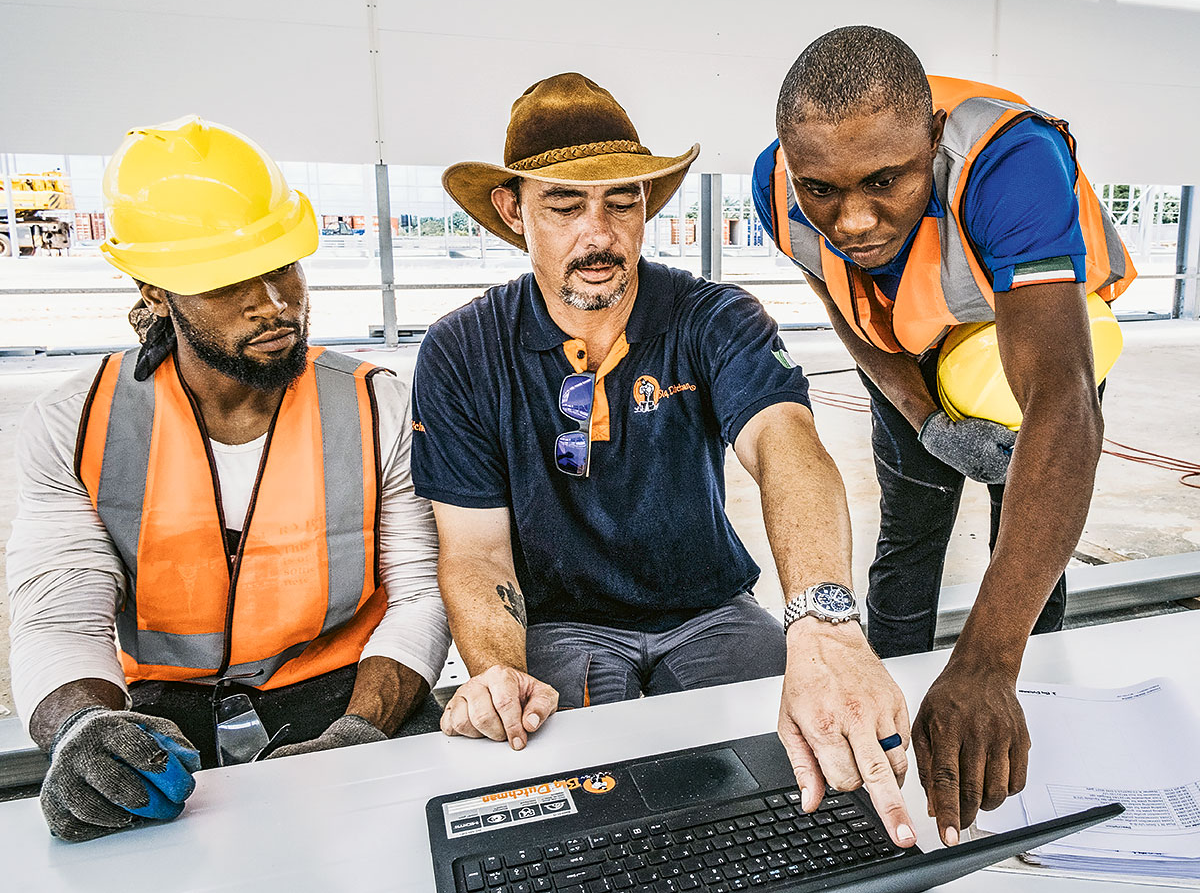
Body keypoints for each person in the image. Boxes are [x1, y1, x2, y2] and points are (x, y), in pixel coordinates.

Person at [411, 72, 920, 848]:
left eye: (623, 201)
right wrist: (496, 670)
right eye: (564, 204)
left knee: (809, 785)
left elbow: (788, 449)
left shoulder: (715, 317)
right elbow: (476, 551)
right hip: (562, 625)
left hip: (711, 612)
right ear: (514, 212)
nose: (600, 233)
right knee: (577, 814)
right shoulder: (462, 350)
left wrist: (823, 621)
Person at [6, 116, 450, 842]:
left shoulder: (377, 403)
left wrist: (360, 733)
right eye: (225, 282)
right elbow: (59, 617)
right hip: (158, 706)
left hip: (344, 687)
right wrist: (82, 728)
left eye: (283, 266)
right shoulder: (77, 423)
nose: (273, 303)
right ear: (153, 290)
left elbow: (420, 590)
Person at [752, 26, 1134, 845]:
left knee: (1025, 532)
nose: (853, 219)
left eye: (886, 181)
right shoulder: (777, 186)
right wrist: (925, 421)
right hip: (911, 352)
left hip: (1034, 343)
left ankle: (1018, 692)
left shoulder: (1009, 160)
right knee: (912, 527)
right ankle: (886, 715)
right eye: (823, 188)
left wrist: (987, 661)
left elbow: (1064, 402)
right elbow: (844, 303)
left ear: (930, 138)